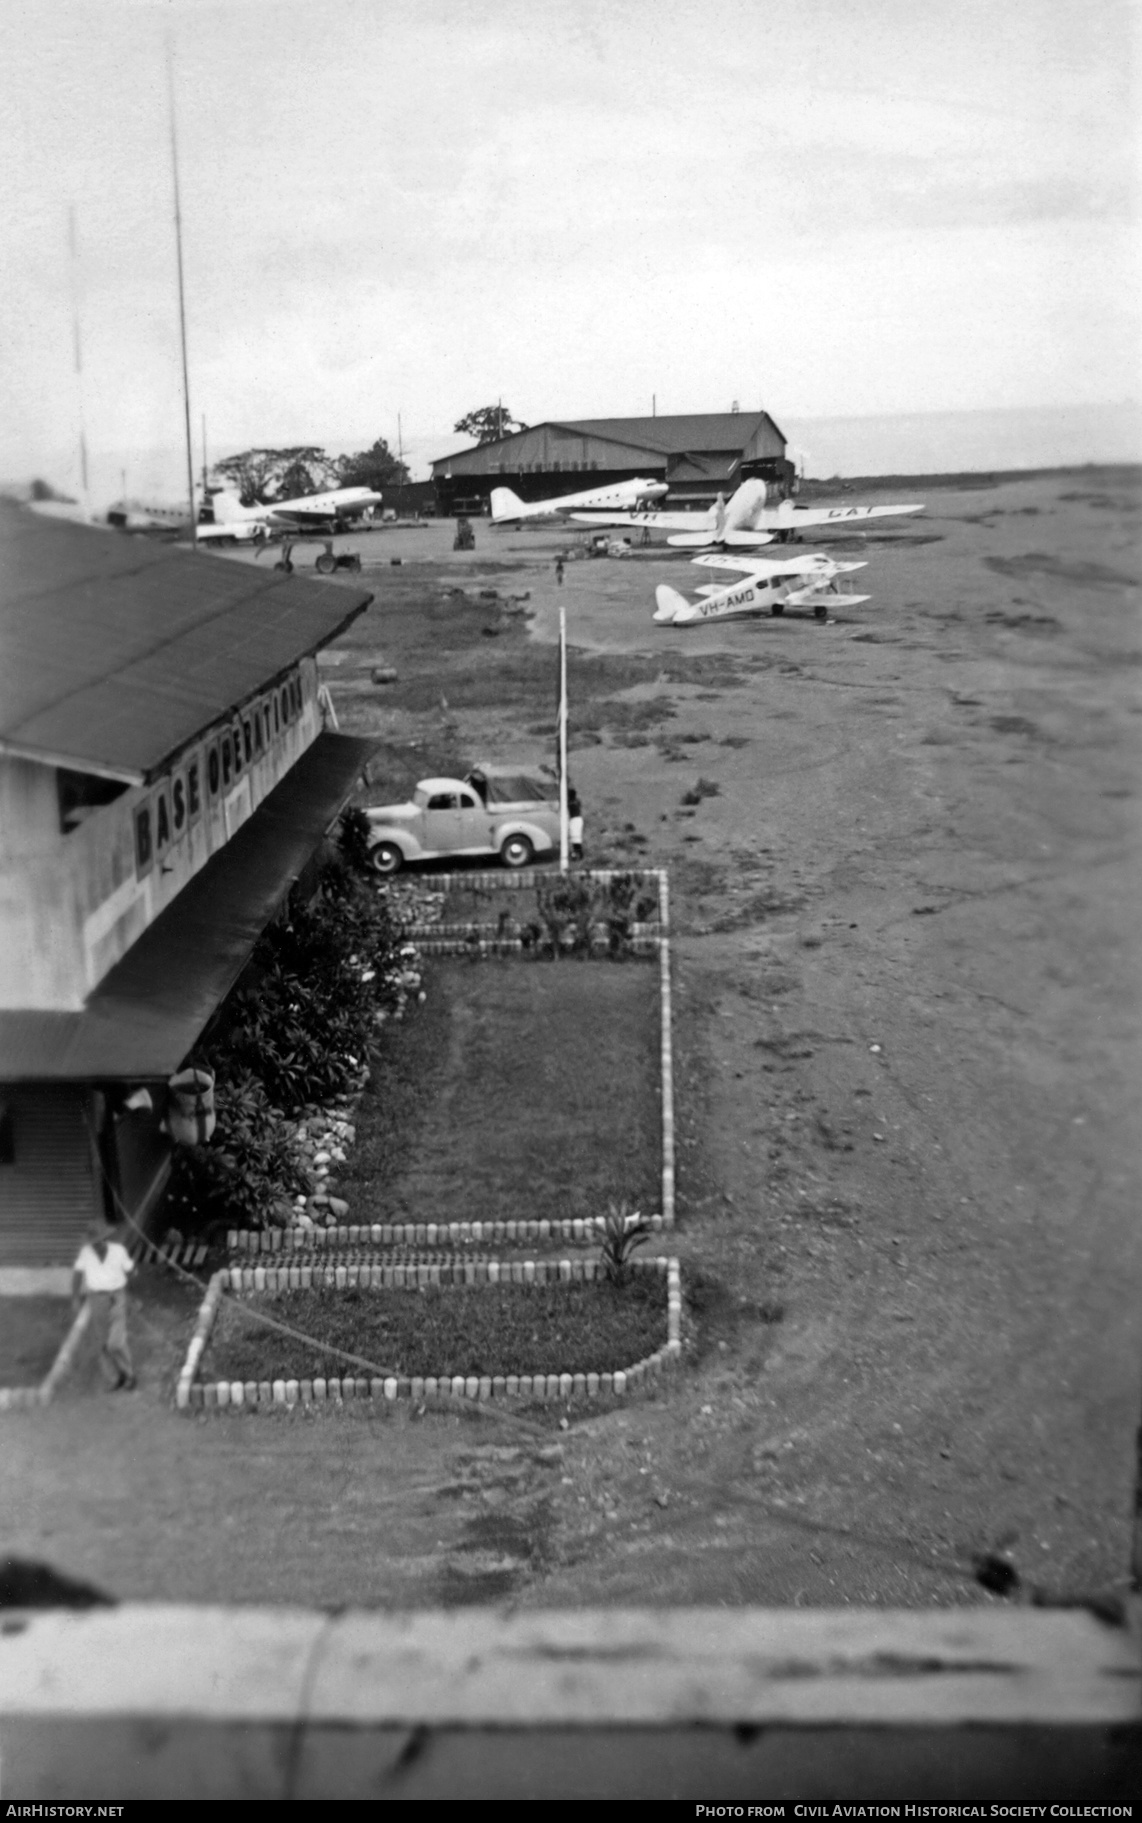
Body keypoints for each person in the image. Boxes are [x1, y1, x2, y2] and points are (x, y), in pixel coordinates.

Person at [72, 1217, 136, 1391]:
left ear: (105, 1239)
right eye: (93, 1242)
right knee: (102, 1342)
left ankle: (129, 1374)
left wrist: (128, 1296)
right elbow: (77, 1275)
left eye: (99, 1241)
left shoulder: (119, 1251)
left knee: (116, 1341)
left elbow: (130, 1271)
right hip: (96, 1298)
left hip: (117, 1297)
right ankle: (115, 1378)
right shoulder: (85, 1253)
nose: (96, 1245)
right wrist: (76, 1298)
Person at [567, 785, 584, 861]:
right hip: (578, 819)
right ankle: (578, 853)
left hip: (575, 820)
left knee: (575, 838)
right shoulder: (577, 801)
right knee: (576, 838)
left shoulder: (571, 802)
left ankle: (578, 854)